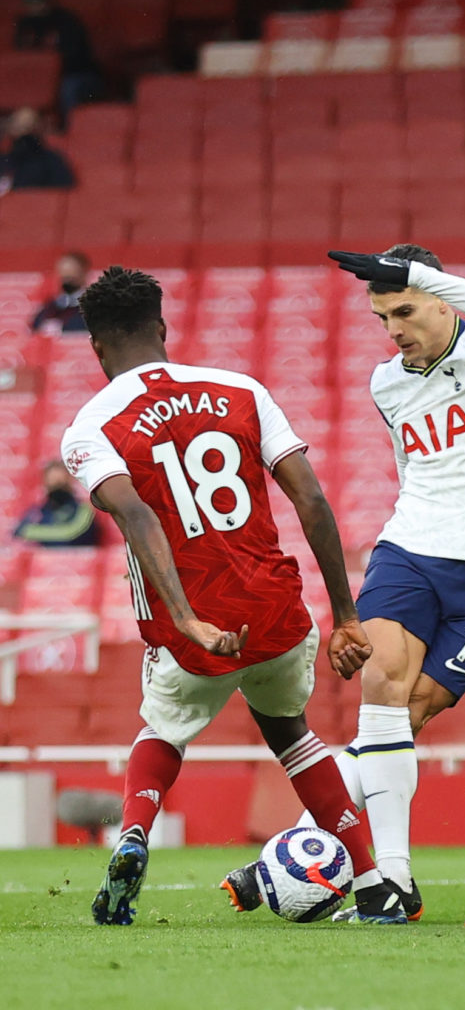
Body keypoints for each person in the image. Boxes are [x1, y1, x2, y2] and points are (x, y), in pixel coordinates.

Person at [61, 266, 406, 926]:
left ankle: (133, 832)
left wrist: (187, 618)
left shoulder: (90, 427)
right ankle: (371, 882)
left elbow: (134, 515)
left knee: (162, 729)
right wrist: (347, 615)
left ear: (97, 347)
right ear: (162, 328)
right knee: (292, 733)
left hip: (193, 634)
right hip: (277, 613)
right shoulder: (240, 390)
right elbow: (310, 496)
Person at [223, 245, 465, 922]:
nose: (393, 329)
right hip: (408, 550)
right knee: (382, 690)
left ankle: (289, 848)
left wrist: (423, 277)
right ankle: (390, 879)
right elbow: (411, 467)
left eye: (405, 310)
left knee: (411, 715)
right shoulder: (386, 382)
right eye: (382, 316)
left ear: (441, 299)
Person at [14, 0, 102, 126]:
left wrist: (52, 69)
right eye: (30, 4)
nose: (34, 7)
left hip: (73, 74)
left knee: (68, 89)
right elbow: (21, 55)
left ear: (47, 2)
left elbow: (76, 56)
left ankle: (70, 129)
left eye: (37, 3)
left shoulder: (67, 21)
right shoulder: (25, 23)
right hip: (39, 77)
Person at [13, 458, 99, 546]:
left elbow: (72, 537)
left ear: (70, 481)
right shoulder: (37, 511)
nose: (57, 487)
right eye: (52, 482)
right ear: (45, 483)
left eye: (60, 482)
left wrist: (37, 533)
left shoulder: (84, 510)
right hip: (42, 559)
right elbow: (19, 533)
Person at [0, 107, 75, 192]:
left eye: (28, 127)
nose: (24, 133)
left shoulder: (52, 160)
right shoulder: (3, 161)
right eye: (19, 127)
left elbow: (63, 194)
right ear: (11, 129)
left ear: (38, 129)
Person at [31, 251, 90, 333]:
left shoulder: (91, 307)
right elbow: (35, 327)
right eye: (63, 278)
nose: (66, 282)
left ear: (83, 274)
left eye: (70, 278)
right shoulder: (50, 306)